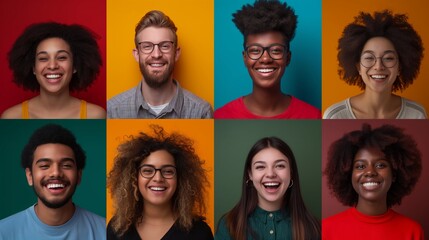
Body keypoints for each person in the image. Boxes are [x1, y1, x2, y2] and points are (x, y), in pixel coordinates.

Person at [214, 0, 320, 119]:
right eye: (255, 50)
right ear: (245, 58)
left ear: (288, 58)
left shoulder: (313, 115)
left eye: (275, 50)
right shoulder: (221, 116)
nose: (265, 58)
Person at [107, 125, 213, 239]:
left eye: (168, 171)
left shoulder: (200, 232)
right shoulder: (117, 228)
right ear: (133, 176)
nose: (158, 178)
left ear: (180, 178)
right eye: (147, 170)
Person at [0, 124, 106, 239]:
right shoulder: (3, 232)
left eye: (66, 165)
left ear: (79, 175)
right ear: (29, 175)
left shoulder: (105, 231)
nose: (55, 173)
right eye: (45, 166)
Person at [323, 124, 424, 239]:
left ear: (394, 174)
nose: (370, 172)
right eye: (360, 166)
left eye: (380, 165)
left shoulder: (413, 231)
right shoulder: (326, 229)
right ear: (349, 175)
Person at [107, 10, 213, 119]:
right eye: (147, 46)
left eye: (165, 46)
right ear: (137, 54)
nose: (156, 54)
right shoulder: (113, 111)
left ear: (176, 53)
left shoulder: (202, 112)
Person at [323, 10, 427, 119]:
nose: (378, 66)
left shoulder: (417, 114)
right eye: (369, 58)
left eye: (388, 58)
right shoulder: (335, 116)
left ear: (400, 67)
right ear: (358, 67)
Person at [215, 137, 320, 240]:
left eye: (279, 166)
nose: (270, 174)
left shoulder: (313, 228)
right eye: (260, 167)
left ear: (291, 172)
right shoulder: (228, 225)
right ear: (250, 174)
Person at [1, 22, 106, 119]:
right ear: (33, 68)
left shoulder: (95, 115)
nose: (52, 66)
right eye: (43, 58)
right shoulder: (11, 117)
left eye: (61, 57)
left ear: (75, 66)